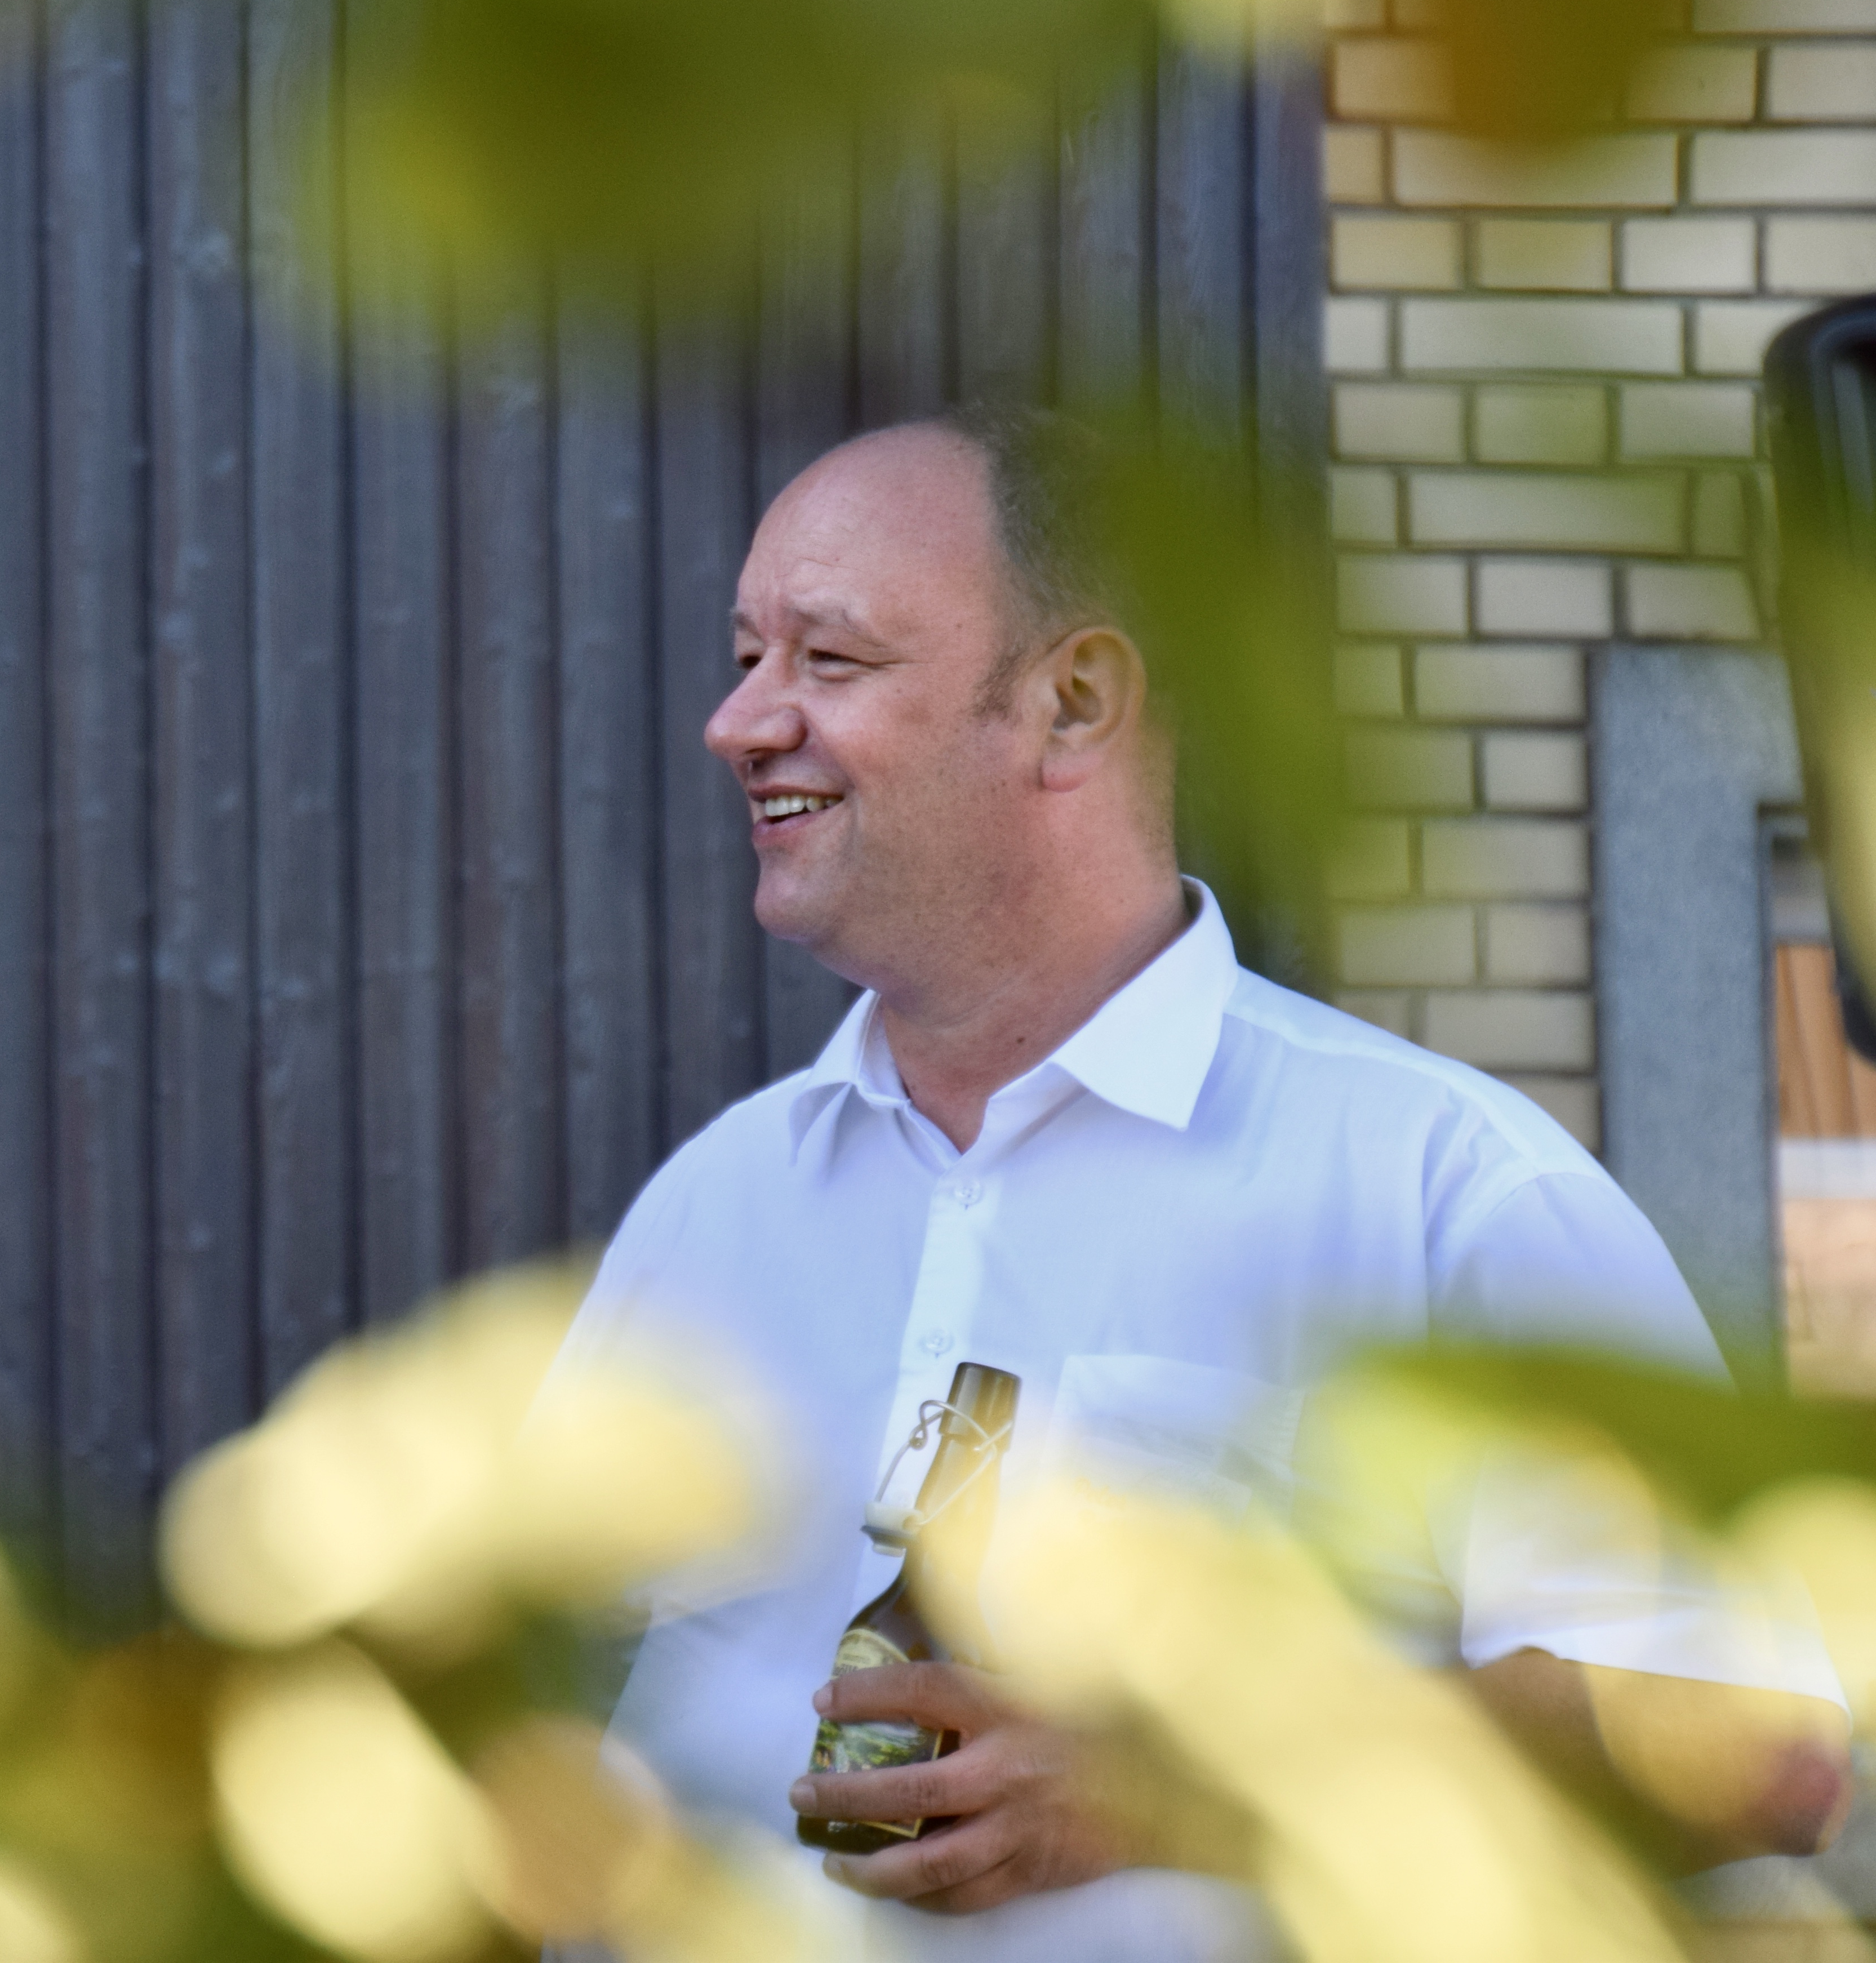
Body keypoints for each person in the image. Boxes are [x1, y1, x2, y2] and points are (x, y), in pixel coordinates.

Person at [550, 406, 1852, 1957]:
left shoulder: (1441, 1186)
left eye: (828, 660)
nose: (738, 720)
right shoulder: (713, 1202)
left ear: (1073, 703)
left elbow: (1755, 1740)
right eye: (745, 654)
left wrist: (1173, 1783)